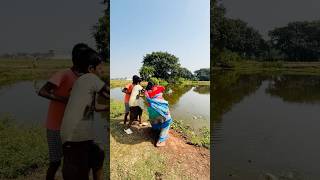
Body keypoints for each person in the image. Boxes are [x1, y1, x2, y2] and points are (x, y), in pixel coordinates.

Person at [38, 43, 89, 180]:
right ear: (77, 59)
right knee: (55, 162)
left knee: (69, 161)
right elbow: (42, 91)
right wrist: (66, 101)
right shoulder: (64, 74)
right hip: (55, 127)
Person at [60, 47, 108, 180]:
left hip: (74, 134)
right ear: (91, 69)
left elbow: (95, 107)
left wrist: (109, 108)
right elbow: (108, 92)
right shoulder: (90, 78)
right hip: (75, 135)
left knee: (98, 154)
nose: (102, 71)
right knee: (81, 169)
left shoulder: (81, 82)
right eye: (100, 68)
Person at [145, 82, 173, 147]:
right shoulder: (158, 92)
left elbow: (150, 103)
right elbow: (162, 90)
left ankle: (156, 130)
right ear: (154, 86)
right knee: (167, 121)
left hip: (152, 116)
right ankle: (160, 141)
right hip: (161, 115)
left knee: (156, 117)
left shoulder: (147, 94)